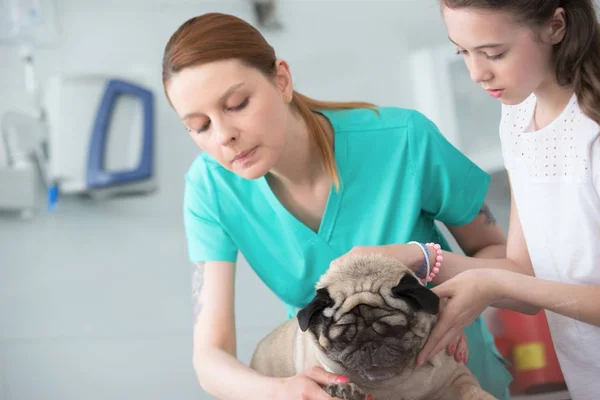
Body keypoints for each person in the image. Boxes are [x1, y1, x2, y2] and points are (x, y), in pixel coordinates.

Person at [162, 12, 513, 400]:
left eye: (237, 103)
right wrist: (282, 392)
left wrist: (440, 282)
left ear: (281, 79)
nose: (224, 136)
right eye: (199, 126)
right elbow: (210, 357)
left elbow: (511, 267)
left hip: (454, 382)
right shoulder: (210, 188)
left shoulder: (404, 141)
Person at [353, 1, 600, 398]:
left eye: (494, 53)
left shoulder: (593, 128)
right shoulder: (519, 119)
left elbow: (516, 284)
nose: (476, 73)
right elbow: (524, 274)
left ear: (556, 26)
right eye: (462, 52)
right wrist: (421, 257)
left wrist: (489, 283)